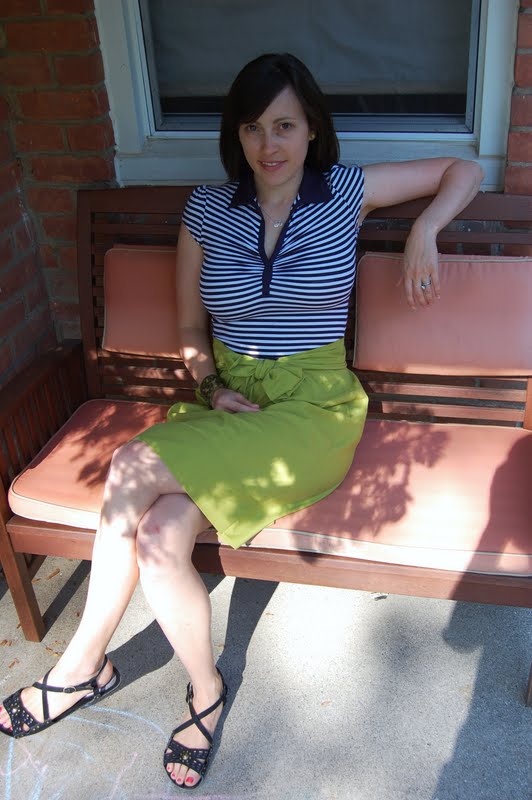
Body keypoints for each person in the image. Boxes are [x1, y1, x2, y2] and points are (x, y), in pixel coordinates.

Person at [0, 53, 483, 790]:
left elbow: (463, 168)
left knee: (130, 464)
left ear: (312, 129)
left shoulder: (346, 191)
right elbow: (191, 329)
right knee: (161, 535)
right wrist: (208, 384)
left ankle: (78, 667)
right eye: (253, 128)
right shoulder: (206, 211)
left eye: (285, 125)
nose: (269, 144)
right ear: (237, 135)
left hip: (313, 411)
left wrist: (426, 229)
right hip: (233, 402)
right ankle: (206, 693)